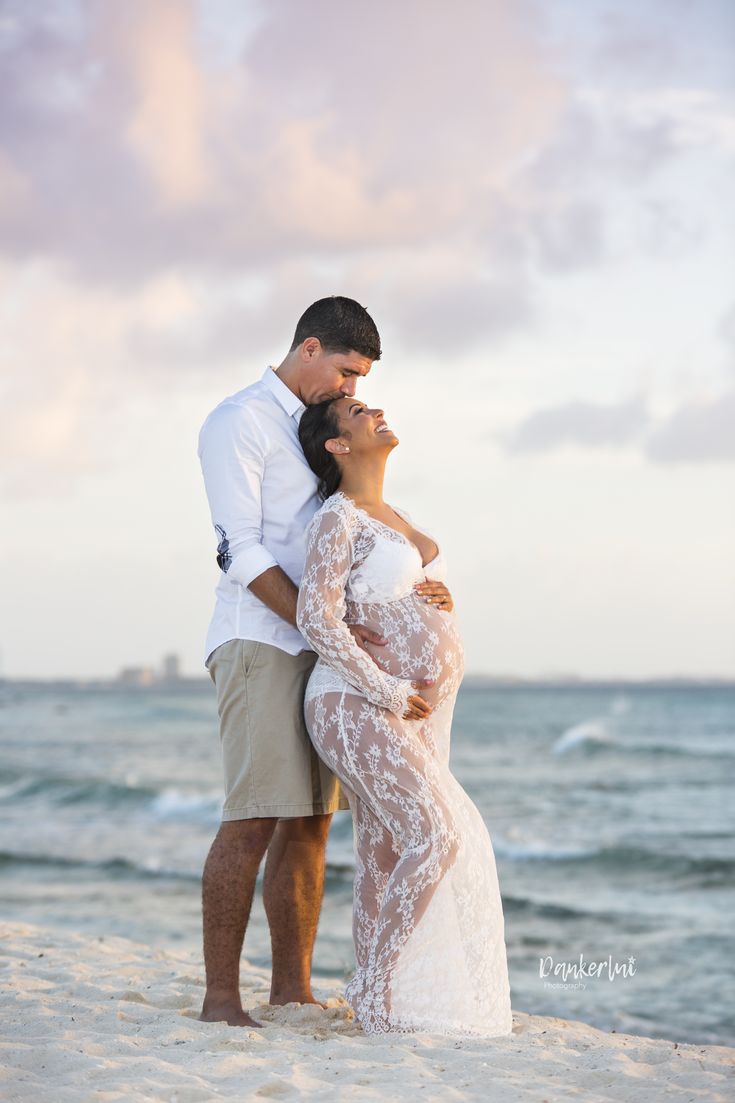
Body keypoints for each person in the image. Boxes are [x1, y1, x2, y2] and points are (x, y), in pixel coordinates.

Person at [196, 296, 448, 1027]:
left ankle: (292, 989)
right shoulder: (238, 421)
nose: (351, 391)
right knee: (254, 815)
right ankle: (220, 999)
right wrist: (323, 621)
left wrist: (404, 584)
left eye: (360, 379)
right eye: (344, 371)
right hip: (260, 639)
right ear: (309, 347)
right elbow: (239, 550)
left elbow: (353, 528)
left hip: (323, 653)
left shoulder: (319, 424)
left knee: (311, 823)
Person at [295, 396, 514, 1037]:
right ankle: (374, 980)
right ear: (338, 446)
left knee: (385, 852)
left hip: (405, 713)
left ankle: (376, 1009)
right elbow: (317, 616)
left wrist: (444, 598)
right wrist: (388, 689)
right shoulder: (337, 518)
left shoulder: (398, 517)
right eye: (359, 411)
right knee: (439, 835)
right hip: (351, 701)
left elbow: (404, 597)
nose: (376, 411)